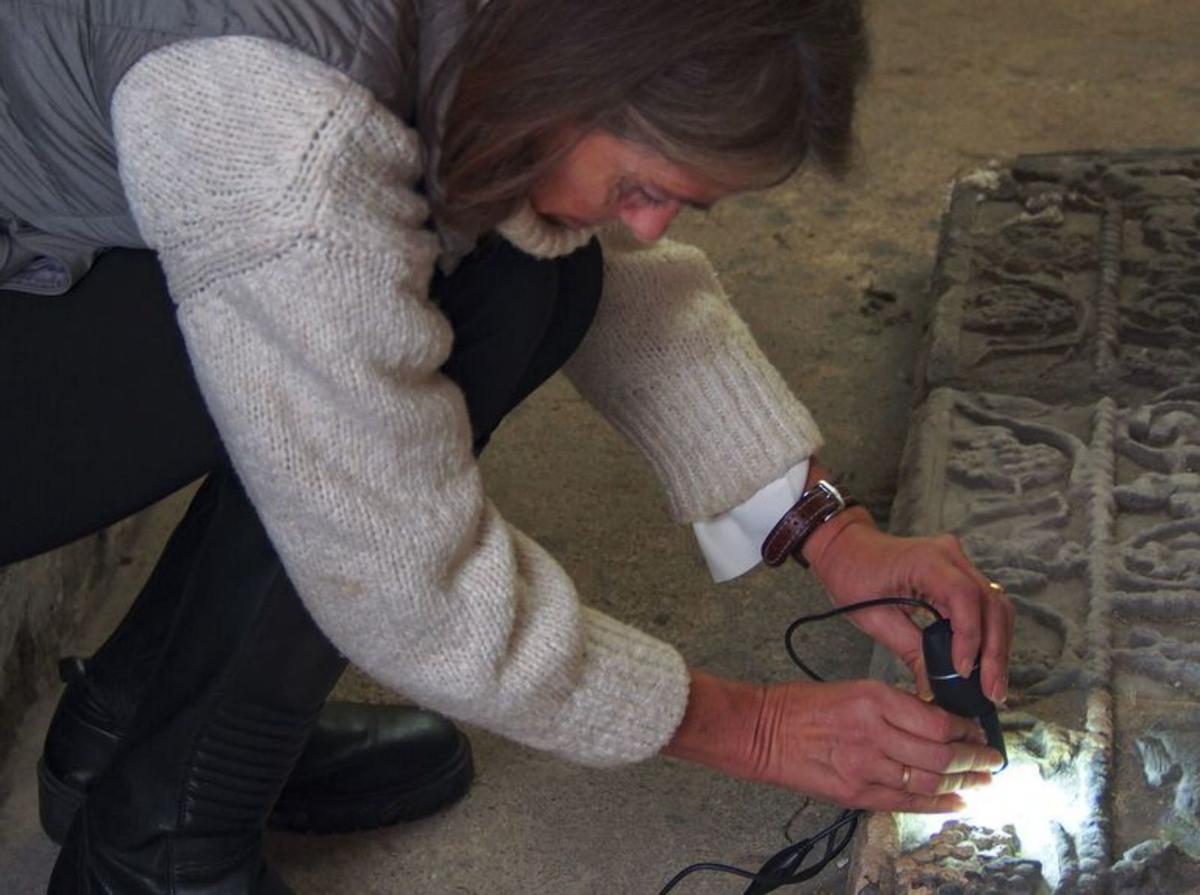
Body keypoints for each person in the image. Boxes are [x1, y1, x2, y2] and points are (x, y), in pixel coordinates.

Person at [0, 0, 1014, 891]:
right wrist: (753, 726)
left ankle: (146, 734)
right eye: (643, 188)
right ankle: (153, 854)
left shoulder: (519, 40)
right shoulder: (284, 128)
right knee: (419, 319)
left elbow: (612, 275)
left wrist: (830, 530)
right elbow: (401, 575)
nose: (652, 227)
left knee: (527, 267)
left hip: (69, 250)